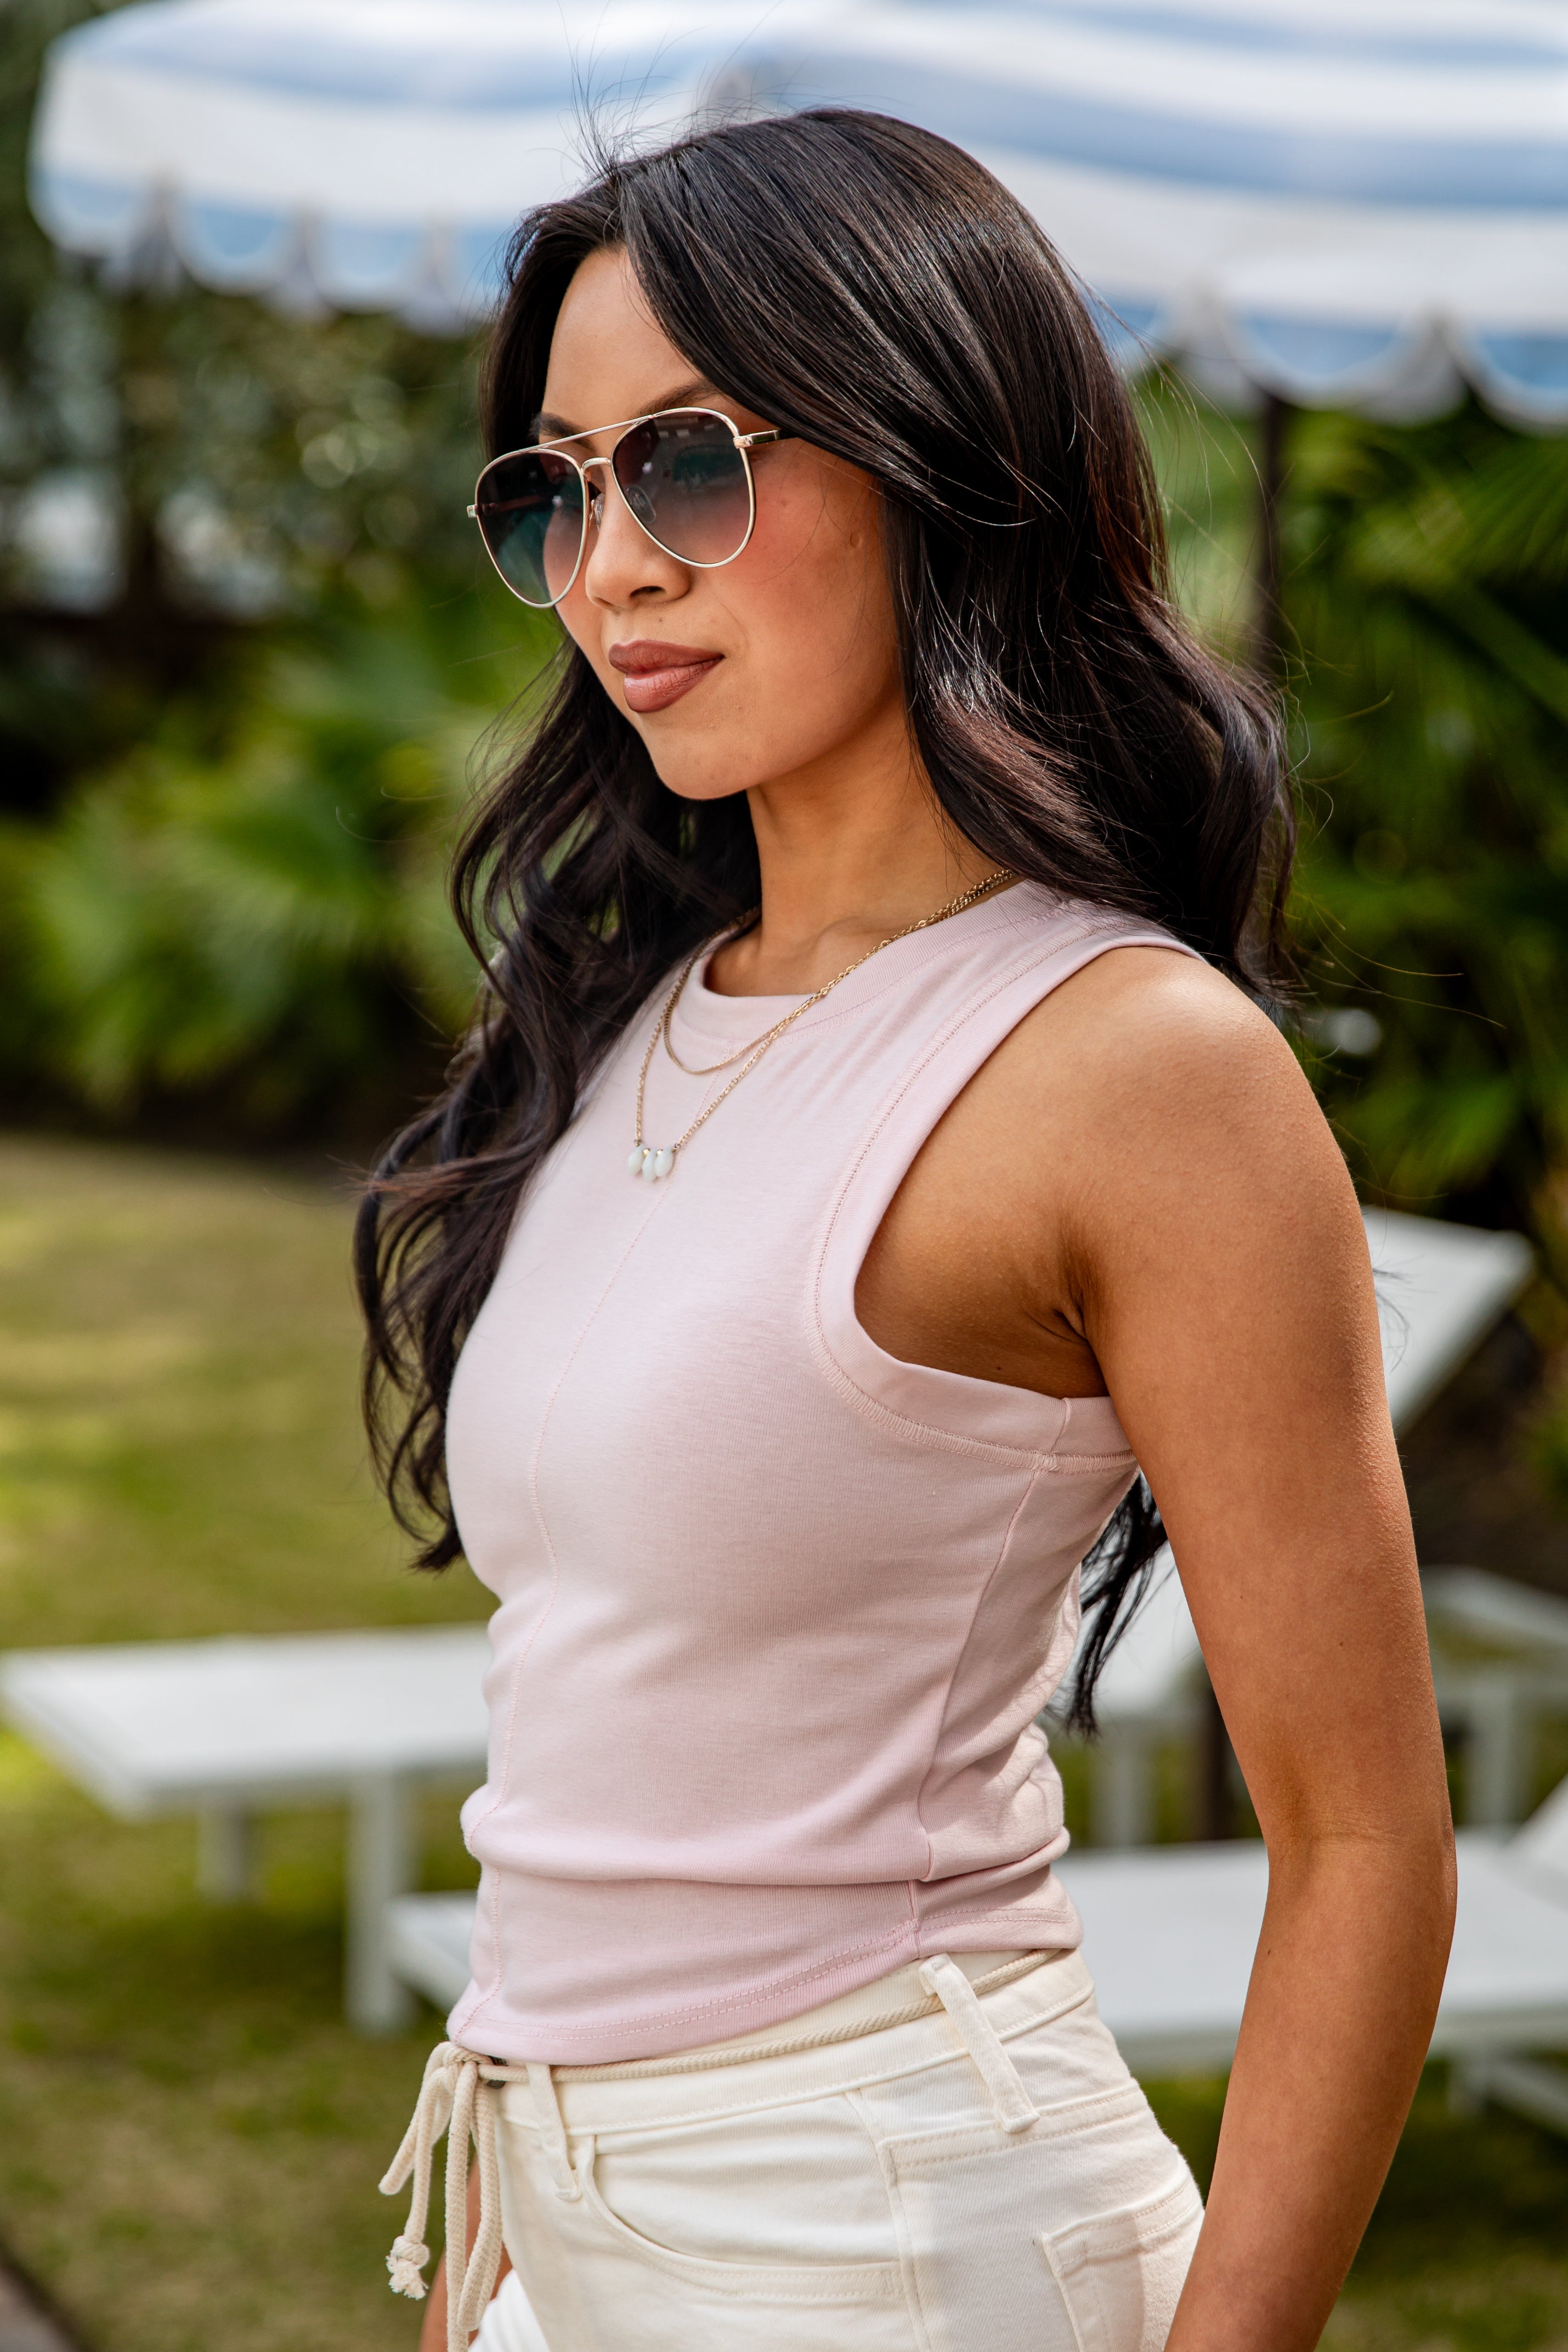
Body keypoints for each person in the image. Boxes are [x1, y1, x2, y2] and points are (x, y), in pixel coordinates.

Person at [363, 108, 1454, 2352]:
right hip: (552, 2212)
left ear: (933, 449)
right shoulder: (638, 1013)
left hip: (883, 2227)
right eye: (555, 491)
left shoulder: (1129, 1065)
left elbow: (1360, 1844)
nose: (610, 570)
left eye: (686, 463)